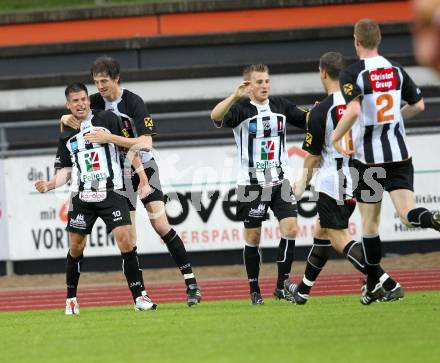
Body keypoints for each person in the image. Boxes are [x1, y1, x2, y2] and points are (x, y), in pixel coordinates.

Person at [60, 56, 201, 307]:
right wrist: (64, 120)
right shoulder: (92, 101)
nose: (100, 86)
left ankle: (191, 282)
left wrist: (111, 138)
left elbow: (146, 144)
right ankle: (141, 295)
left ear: (117, 79)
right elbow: (72, 119)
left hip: (144, 166)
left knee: (160, 225)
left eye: (104, 81)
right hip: (117, 174)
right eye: (96, 82)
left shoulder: (133, 102)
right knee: (128, 237)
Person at [331, 19, 440, 303]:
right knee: (408, 213)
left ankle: (372, 285)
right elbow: (419, 105)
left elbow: (353, 110)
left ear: (356, 41)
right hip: (400, 155)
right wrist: (393, 118)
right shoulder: (396, 71)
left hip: (368, 162)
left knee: (369, 225)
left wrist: (336, 137)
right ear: (378, 40)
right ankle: (433, 217)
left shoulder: (351, 73)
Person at [35, 83, 157, 314]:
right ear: (68, 105)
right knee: (76, 246)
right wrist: (50, 184)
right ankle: (71, 299)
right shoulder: (66, 132)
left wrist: (142, 178)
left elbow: (128, 149)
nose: (80, 103)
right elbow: (67, 170)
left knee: (126, 239)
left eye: (83, 99)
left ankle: (140, 296)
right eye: (75, 101)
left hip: (112, 191)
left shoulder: (108, 119)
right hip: (82, 196)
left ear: (88, 100)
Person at [289, 52, 400, 305]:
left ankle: (387, 283)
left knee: (338, 237)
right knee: (322, 230)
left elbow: (312, 157)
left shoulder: (322, 111)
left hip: (335, 179)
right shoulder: (362, 102)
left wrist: (299, 186)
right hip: (367, 172)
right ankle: (303, 291)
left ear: (323, 73)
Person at [210, 64, 308, 305]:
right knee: (253, 236)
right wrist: (235, 95)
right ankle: (254, 289)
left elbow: (306, 119)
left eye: (266, 81)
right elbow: (215, 115)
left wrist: (321, 111)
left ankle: (281, 285)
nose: (264, 85)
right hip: (251, 185)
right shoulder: (240, 109)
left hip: (280, 180)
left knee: (291, 229)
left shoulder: (281, 106)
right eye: (259, 82)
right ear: (249, 86)